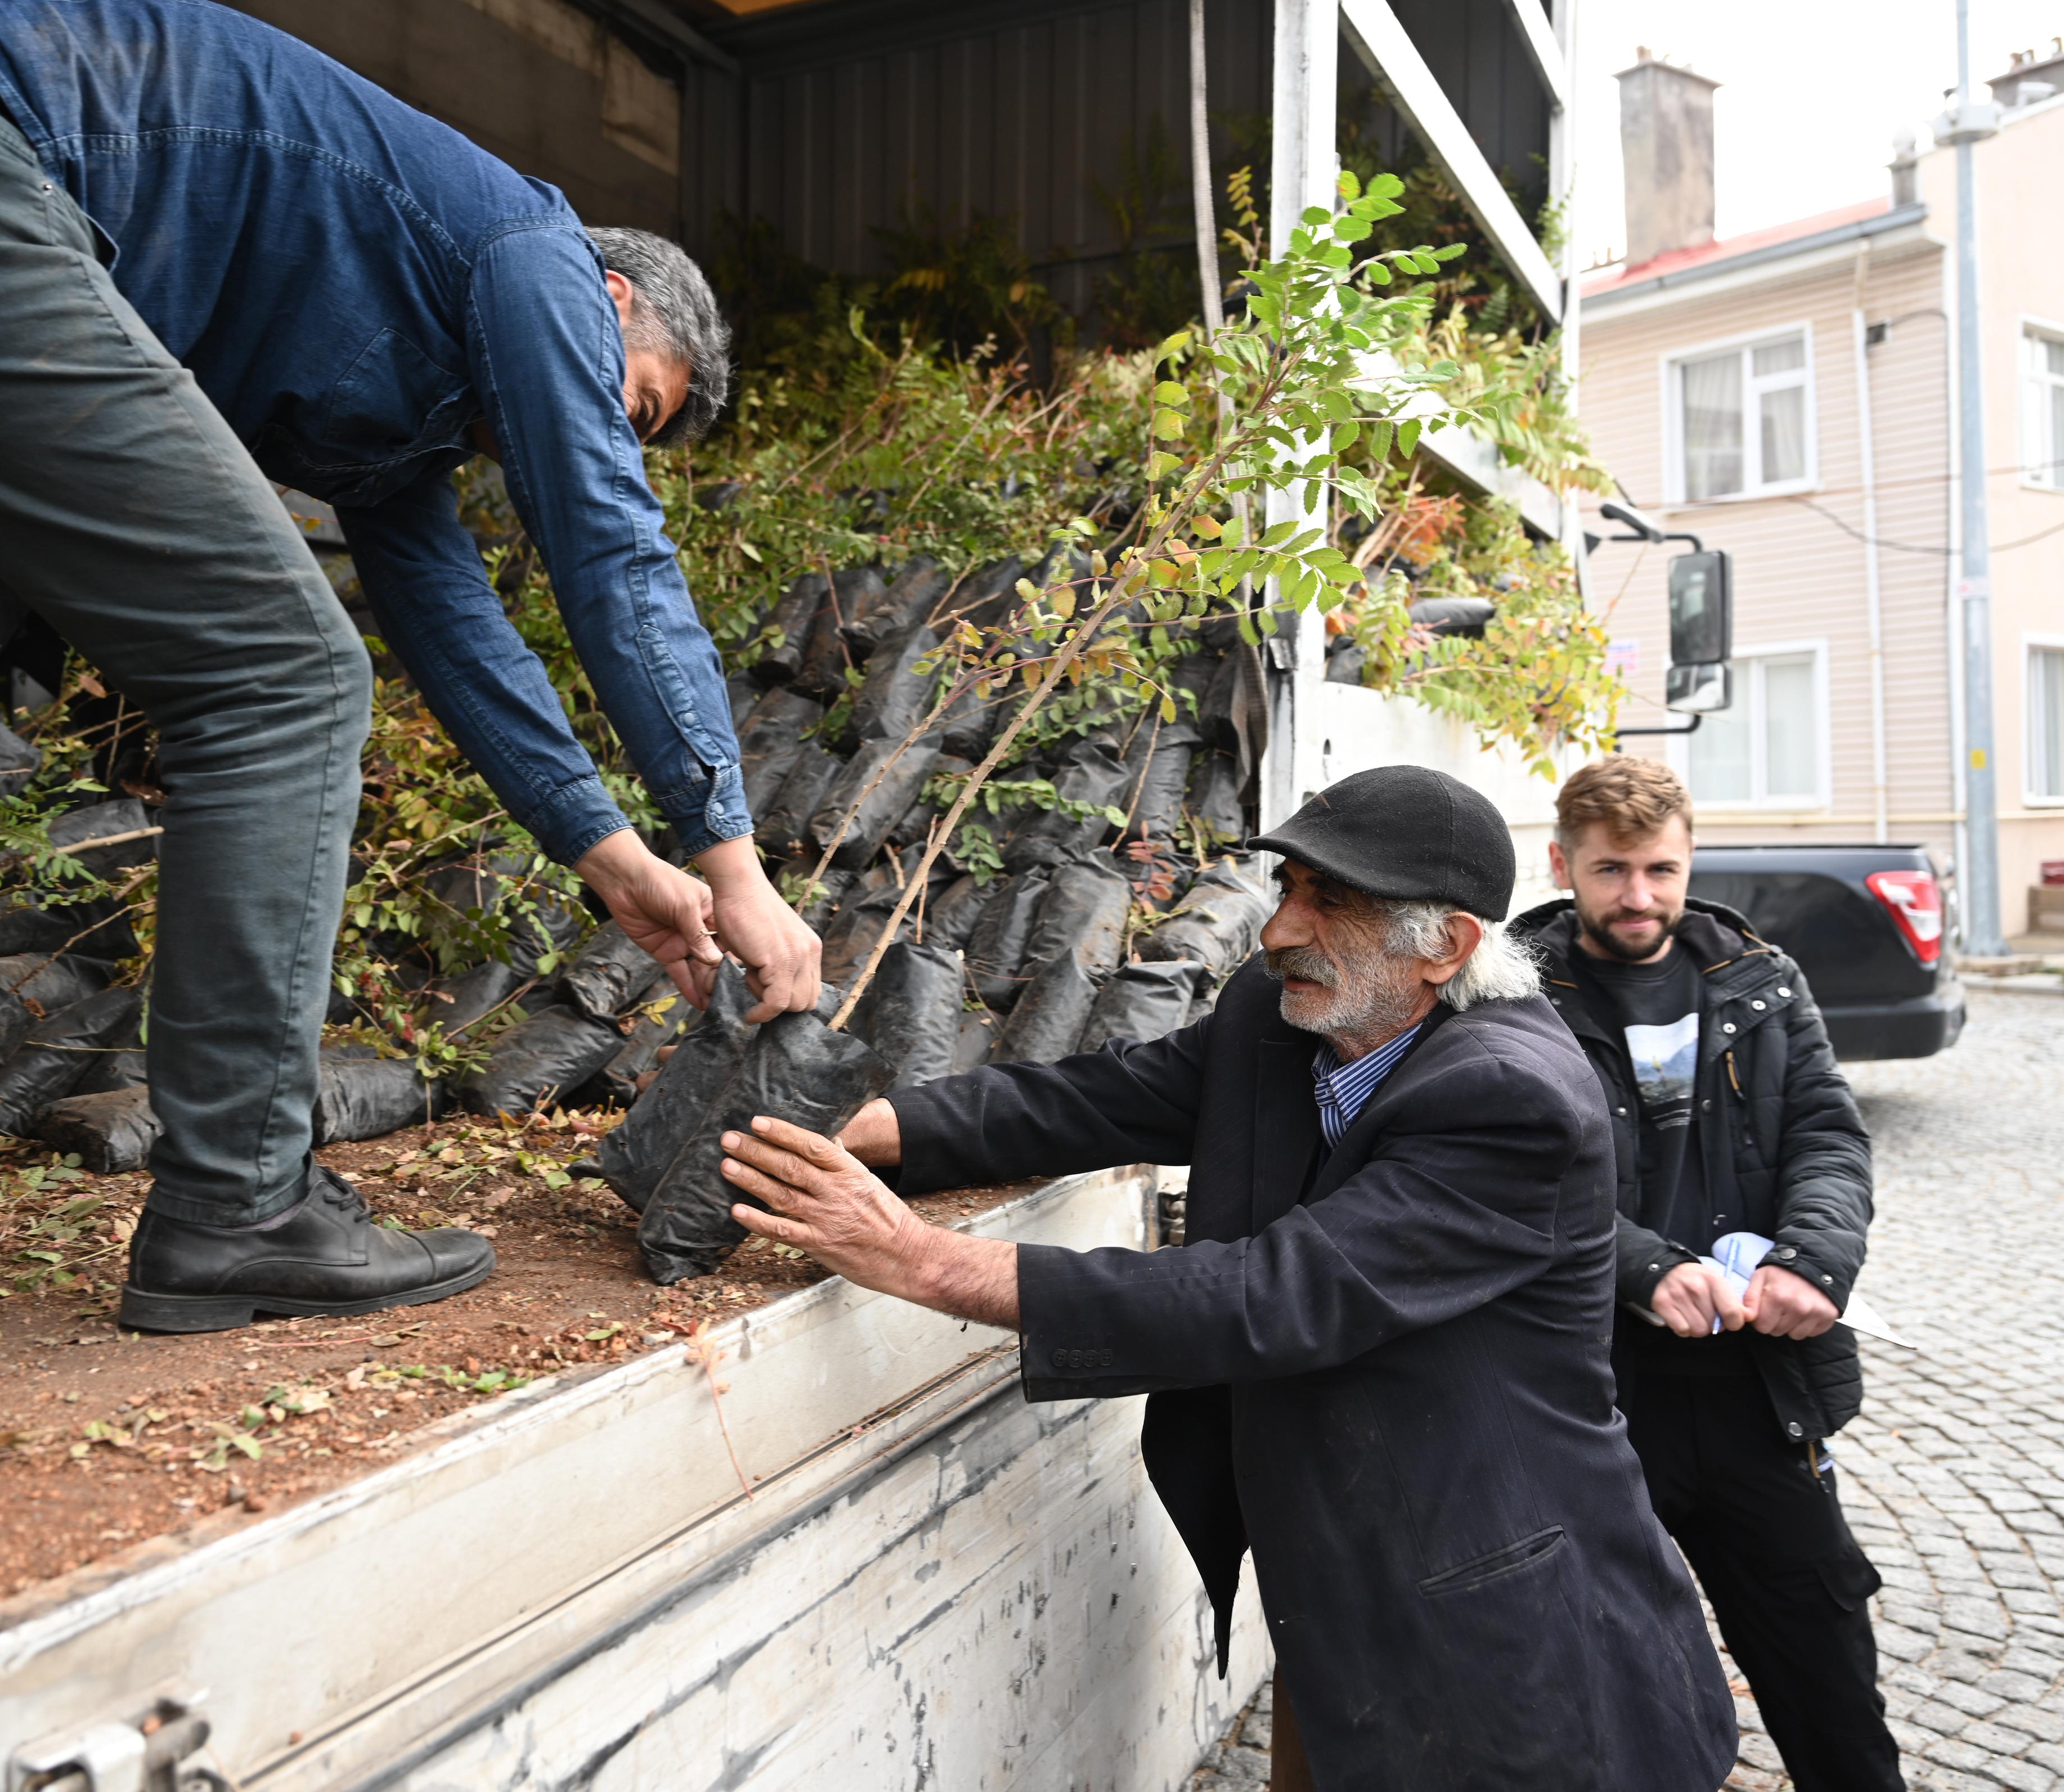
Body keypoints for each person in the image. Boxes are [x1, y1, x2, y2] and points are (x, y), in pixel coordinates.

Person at [0, 0, 822, 1331]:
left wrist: (615, 861)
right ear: (607, 297)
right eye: (626, 400)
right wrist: (733, 859)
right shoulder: (531, 251)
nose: (590, 430)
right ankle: (238, 1207)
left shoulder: (406, 402)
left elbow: (455, 624)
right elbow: (611, 550)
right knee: (287, 677)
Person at [718, 765, 1736, 1791]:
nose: (1277, 930)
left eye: (1327, 904)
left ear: (1446, 946)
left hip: (1498, 1620)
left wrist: (921, 1258)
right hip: (1340, 1585)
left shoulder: (1512, 1098)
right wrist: (849, 1128)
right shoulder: (1288, 1017)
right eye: (1289, 887)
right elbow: (1101, 1099)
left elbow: (1268, 1295)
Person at [1509, 755, 1901, 1791]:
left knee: (1825, 1663)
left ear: (1689, 862)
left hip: (1753, 1388)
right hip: (1581, 1391)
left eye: (1660, 869)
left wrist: (1815, 1261)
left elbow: (1828, 1136)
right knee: (1585, 1683)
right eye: (1610, 871)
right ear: (1562, 862)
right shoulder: (1507, 998)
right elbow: (1503, 1176)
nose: (1638, 896)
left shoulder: (1761, 980)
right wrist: (1642, 1268)